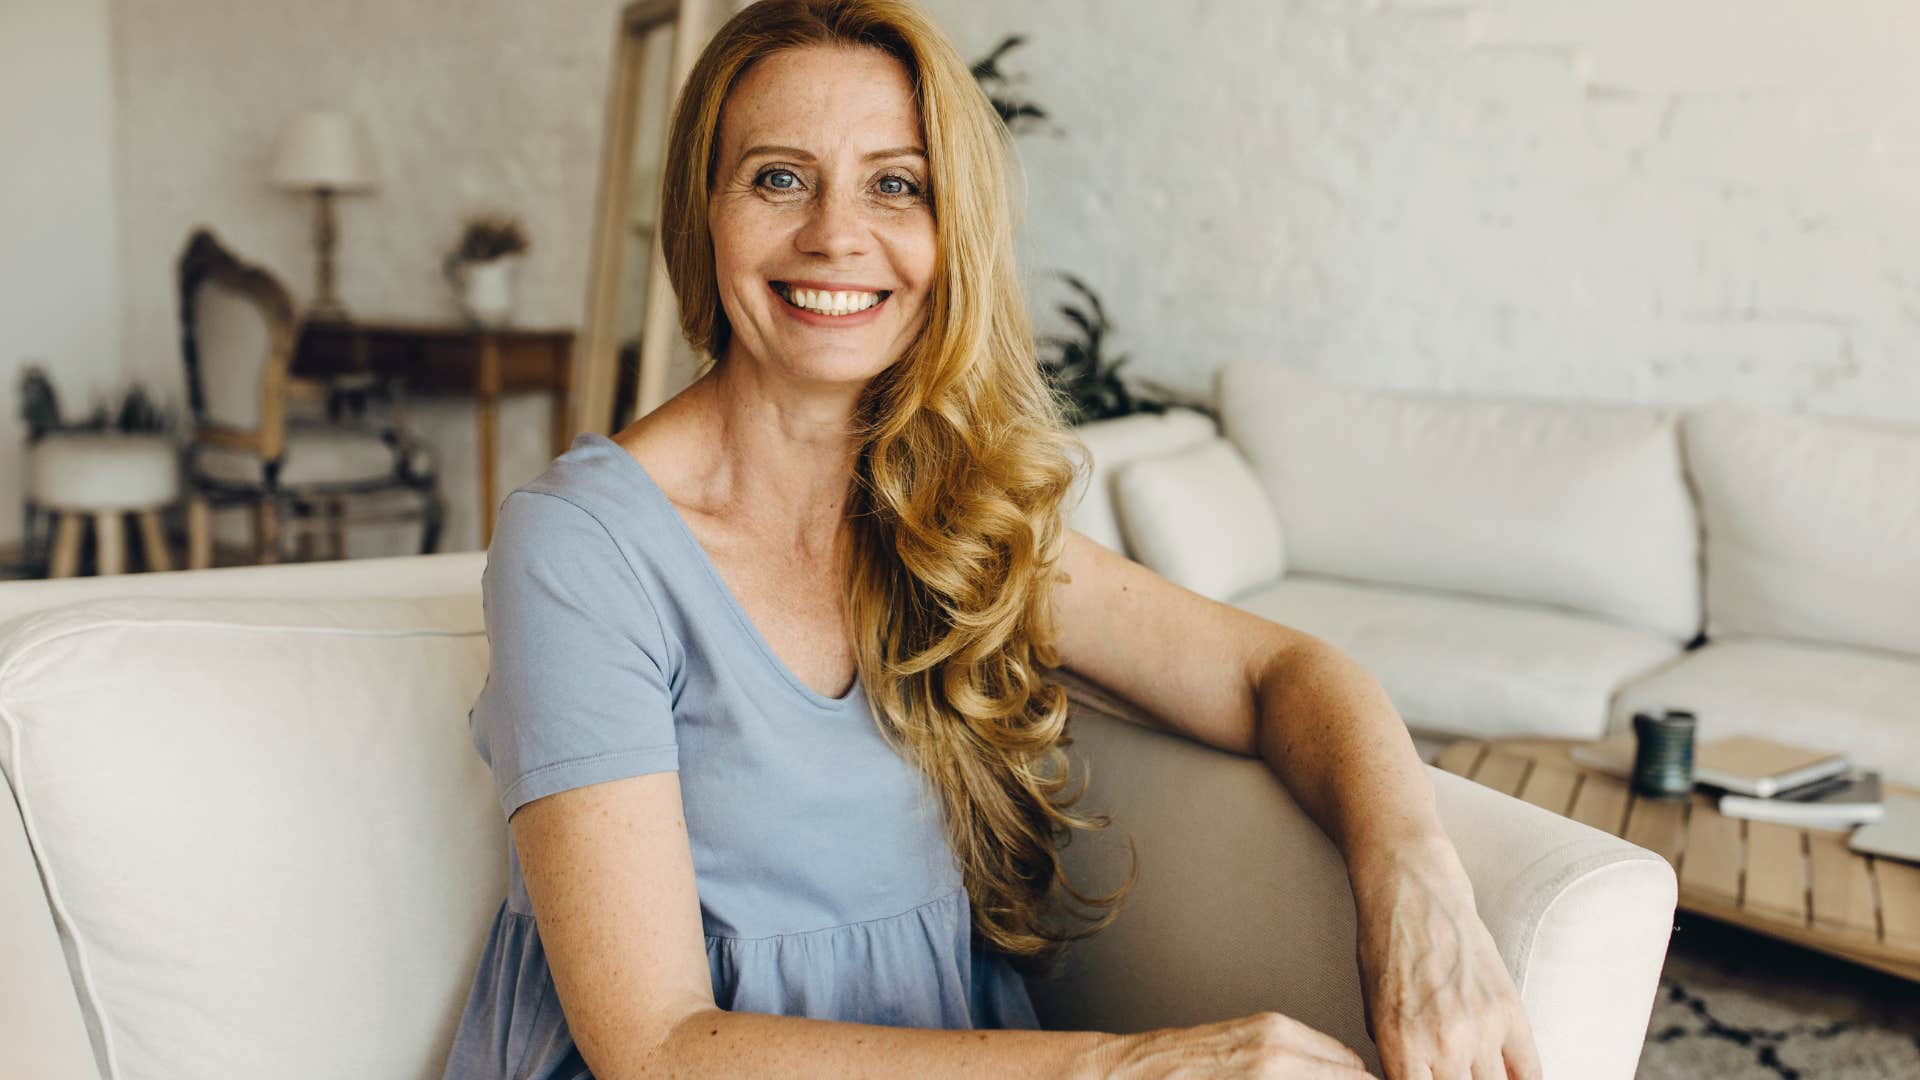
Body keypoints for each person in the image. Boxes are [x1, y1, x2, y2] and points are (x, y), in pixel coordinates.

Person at [442, 1, 1544, 1077]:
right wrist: (1131, 1069)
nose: (836, 235)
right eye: (779, 177)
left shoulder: (949, 510)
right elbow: (655, 1045)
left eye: (896, 185)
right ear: (705, 214)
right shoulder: (584, 549)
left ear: (948, 229)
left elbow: (1277, 673)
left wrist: (1414, 878)